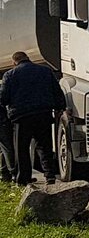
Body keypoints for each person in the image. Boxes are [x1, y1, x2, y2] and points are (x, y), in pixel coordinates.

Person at [0, 51, 65, 185]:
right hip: (43, 114)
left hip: (21, 117)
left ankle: (23, 178)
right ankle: (50, 176)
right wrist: (60, 107)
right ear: (28, 58)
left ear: (14, 62)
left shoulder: (10, 75)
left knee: (22, 149)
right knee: (44, 147)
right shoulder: (45, 71)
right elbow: (56, 91)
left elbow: (3, 98)